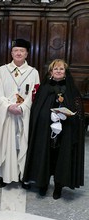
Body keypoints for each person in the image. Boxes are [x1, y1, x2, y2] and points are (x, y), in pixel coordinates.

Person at [22, 59, 85, 199]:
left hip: (65, 133)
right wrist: (47, 115)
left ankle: (58, 186)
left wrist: (68, 116)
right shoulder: (44, 89)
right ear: (51, 72)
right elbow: (36, 110)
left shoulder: (72, 90)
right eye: (55, 69)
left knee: (61, 158)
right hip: (45, 132)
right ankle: (42, 184)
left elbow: (79, 112)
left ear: (65, 72)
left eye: (61, 69)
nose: (58, 71)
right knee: (45, 156)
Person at [0, 39, 40, 188]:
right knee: (7, 143)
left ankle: (24, 175)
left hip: (24, 114)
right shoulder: (2, 70)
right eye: (16, 50)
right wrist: (9, 106)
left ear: (27, 53)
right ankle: (5, 176)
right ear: (11, 53)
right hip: (7, 114)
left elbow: (35, 93)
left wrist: (23, 107)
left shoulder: (33, 72)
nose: (18, 53)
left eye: (22, 51)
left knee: (23, 144)